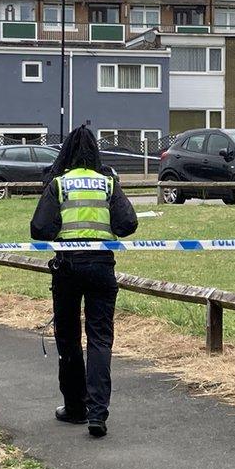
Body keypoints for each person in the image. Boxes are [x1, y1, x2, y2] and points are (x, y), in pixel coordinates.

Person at [31, 126, 138, 437]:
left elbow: (39, 229)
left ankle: (75, 407)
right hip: (102, 267)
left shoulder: (59, 185)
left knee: (68, 338)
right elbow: (127, 223)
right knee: (100, 340)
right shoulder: (108, 183)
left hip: (67, 268)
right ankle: (98, 414)